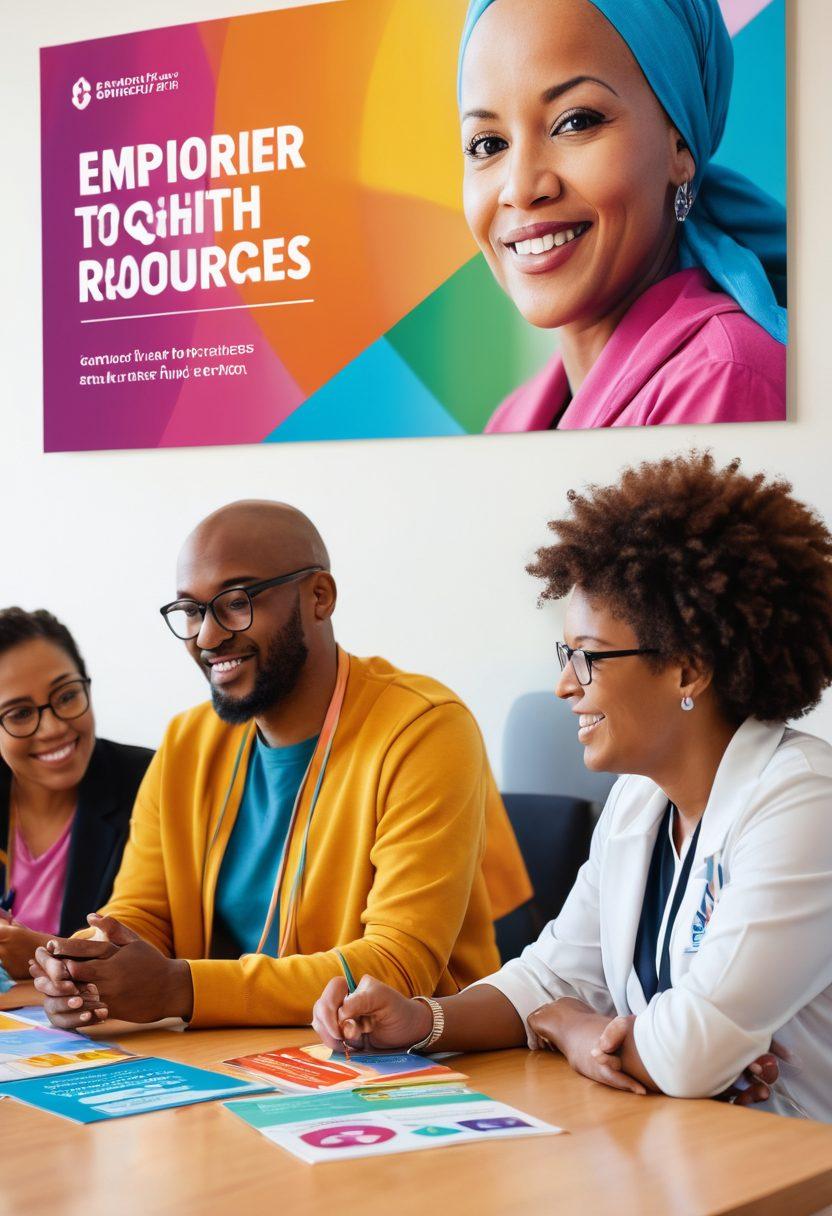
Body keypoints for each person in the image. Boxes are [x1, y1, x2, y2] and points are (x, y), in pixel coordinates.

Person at [311, 453, 832, 1122]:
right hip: (681, 1154)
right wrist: (422, 1021)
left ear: (688, 670)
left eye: (587, 656)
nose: (565, 684)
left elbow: (687, 1055)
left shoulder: (804, 805)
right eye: (566, 657)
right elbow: (551, 978)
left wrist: (574, 1028)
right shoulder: (642, 802)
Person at [30, 501, 530, 1028]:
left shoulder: (424, 729)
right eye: (193, 611)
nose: (207, 636)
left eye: (237, 602)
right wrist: (85, 964)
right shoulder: (186, 742)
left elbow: (396, 967)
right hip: (232, 1054)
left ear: (319, 596)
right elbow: (141, 914)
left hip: (406, 1058)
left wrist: (183, 988)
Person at [456, 0, 786, 431]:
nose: (520, 188)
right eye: (488, 144)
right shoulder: (510, 421)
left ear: (681, 146)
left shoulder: (723, 380)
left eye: (574, 122)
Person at [0, 609, 152, 977]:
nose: (53, 727)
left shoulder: (151, 783)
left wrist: (38, 953)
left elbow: (155, 952)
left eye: (66, 696)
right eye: (19, 714)